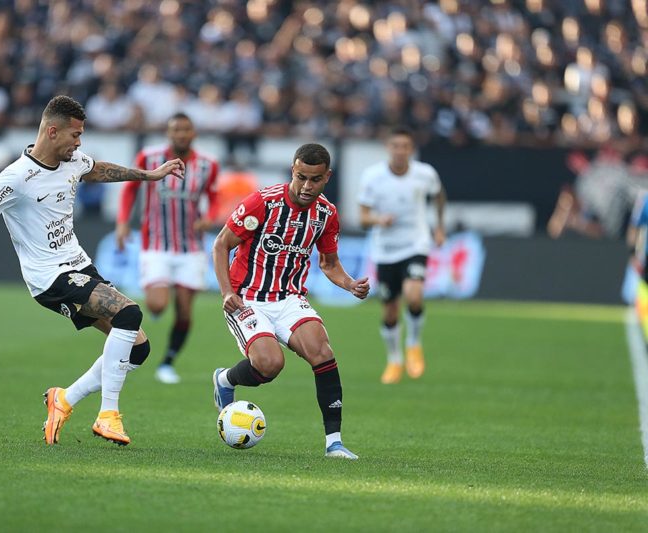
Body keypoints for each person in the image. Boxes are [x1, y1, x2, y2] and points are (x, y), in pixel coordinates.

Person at [0, 95, 184, 446]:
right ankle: (109, 415)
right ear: (52, 130)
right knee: (129, 312)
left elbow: (98, 169)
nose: (79, 143)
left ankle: (65, 399)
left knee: (137, 349)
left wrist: (150, 176)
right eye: (75, 135)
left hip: (79, 265)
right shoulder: (17, 177)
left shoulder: (72, 160)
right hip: (50, 279)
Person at [211, 143, 369, 459]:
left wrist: (349, 283)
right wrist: (228, 292)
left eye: (315, 179)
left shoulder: (326, 214)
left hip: (289, 298)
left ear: (327, 177)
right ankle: (225, 378)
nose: (307, 186)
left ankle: (334, 443)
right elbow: (221, 245)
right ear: (292, 171)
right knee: (270, 365)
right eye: (301, 177)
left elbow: (328, 263)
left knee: (323, 353)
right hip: (248, 299)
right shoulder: (262, 203)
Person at [116, 113, 219, 384]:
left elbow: (215, 195)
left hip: (190, 247)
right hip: (156, 244)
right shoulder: (148, 158)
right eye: (176, 130)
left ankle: (168, 362)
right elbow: (130, 190)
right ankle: (159, 300)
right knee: (158, 305)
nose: (181, 135)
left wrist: (210, 217)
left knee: (185, 310)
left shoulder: (208, 165)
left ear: (193, 133)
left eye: (186, 130)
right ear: (168, 133)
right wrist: (123, 223)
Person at [358, 126, 446, 385]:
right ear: (388, 148)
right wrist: (377, 219)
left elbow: (439, 196)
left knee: (414, 294)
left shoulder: (425, 174)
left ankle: (414, 344)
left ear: (411, 149)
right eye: (395, 146)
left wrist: (439, 227)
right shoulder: (372, 177)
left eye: (405, 147)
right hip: (385, 251)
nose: (400, 151)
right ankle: (395, 359)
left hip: (415, 245)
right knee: (390, 312)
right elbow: (363, 217)